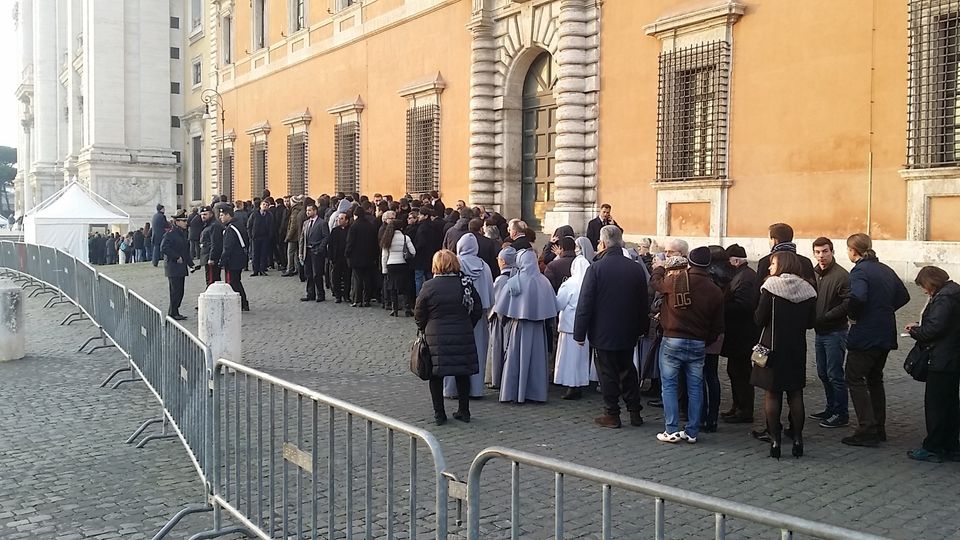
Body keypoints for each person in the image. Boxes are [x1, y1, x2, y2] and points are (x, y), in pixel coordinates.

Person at [574, 226, 650, 428]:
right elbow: (644, 302)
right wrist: (643, 327)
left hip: (603, 331)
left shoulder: (596, 268)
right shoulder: (635, 268)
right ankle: (635, 412)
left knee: (607, 373)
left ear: (603, 243)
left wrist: (579, 333)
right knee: (628, 369)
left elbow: (586, 302)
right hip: (629, 329)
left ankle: (612, 413)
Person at [649, 246, 724, 443]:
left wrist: (659, 266)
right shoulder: (715, 290)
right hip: (698, 342)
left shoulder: (677, 280)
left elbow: (655, 283)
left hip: (672, 338)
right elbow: (718, 325)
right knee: (695, 387)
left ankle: (671, 429)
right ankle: (692, 431)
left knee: (670, 385)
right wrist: (705, 340)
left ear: (689, 262)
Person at [842, 233, 910, 447]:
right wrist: (884, 310)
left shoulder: (860, 271)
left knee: (854, 377)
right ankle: (878, 426)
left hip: (865, 334)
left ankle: (866, 428)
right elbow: (904, 296)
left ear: (853, 251)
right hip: (885, 332)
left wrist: (853, 315)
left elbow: (858, 297)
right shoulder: (885, 269)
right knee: (874, 379)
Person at [751, 251, 817, 459]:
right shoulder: (809, 290)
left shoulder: (770, 287)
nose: (770, 268)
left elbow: (759, 319)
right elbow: (811, 323)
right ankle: (798, 439)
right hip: (797, 347)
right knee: (796, 393)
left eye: (772, 264)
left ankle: (775, 441)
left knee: (772, 393)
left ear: (780, 265)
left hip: (772, 346)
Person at [415, 250, 482, 425]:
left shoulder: (429, 286)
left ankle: (439, 414)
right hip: (462, 331)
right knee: (462, 373)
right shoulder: (465, 284)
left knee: (436, 375)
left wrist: (424, 327)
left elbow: (419, 312)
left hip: (436, 334)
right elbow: (477, 308)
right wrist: (468, 324)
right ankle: (464, 410)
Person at [905, 266, 960, 463]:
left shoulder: (945, 297)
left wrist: (915, 332)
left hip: (942, 359)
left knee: (936, 405)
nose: (924, 291)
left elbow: (935, 329)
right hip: (952, 357)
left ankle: (934, 447)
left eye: (923, 286)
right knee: (950, 405)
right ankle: (951, 446)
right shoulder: (954, 291)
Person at [496, 248, 556, 403]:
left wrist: (504, 322)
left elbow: (501, 309)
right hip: (538, 329)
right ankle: (536, 393)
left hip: (518, 328)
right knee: (537, 361)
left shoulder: (515, 281)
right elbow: (552, 309)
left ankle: (514, 392)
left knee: (515, 359)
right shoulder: (544, 281)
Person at [444, 234, 494, 398]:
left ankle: (452, 388)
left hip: (459, 314)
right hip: (479, 315)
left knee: (455, 350)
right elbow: (491, 294)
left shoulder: (455, 263)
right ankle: (475, 389)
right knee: (478, 350)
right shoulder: (484, 266)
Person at [811, 237, 851, 428]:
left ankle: (841, 413)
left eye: (825, 251)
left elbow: (848, 302)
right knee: (823, 373)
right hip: (820, 331)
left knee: (835, 373)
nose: (821, 256)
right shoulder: (814, 273)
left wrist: (827, 316)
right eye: (817, 252)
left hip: (836, 331)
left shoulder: (842, 275)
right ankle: (830, 407)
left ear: (832, 252)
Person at [720, 244, 759, 424]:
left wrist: (721, 307)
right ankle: (737, 406)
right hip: (739, 333)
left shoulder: (745, 278)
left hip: (742, 334)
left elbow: (743, 306)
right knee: (735, 370)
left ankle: (744, 410)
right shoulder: (742, 275)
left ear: (735, 261)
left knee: (741, 372)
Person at [555, 256, 591, 399]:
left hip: (569, 326)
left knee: (569, 358)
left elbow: (559, 303)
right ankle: (579, 383)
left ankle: (571, 385)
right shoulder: (590, 283)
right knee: (580, 359)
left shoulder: (570, 283)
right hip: (585, 327)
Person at [487, 247, 518, 388]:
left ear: (503, 261)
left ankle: (497, 378)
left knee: (498, 349)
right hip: (514, 319)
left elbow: (495, 302)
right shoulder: (517, 276)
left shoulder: (501, 280)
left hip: (500, 321)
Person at [756, 223, 816, 287]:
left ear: (774, 240)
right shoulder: (806, 262)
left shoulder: (765, 262)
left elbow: (757, 291)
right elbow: (813, 289)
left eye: (769, 239)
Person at [380, 212, 416, 315]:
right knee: (405, 287)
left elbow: (384, 256)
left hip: (391, 265)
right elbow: (413, 252)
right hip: (403, 264)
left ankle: (394, 309)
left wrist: (384, 269)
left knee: (392, 287)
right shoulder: (406, 238)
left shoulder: (387, 239)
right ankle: (407, 309)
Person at [160, 210, 191, 320]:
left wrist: (190, 264)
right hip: (173, 266)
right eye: (183, 221)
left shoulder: (182, 233)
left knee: (180, 290)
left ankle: (175, 310)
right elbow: (164, 248)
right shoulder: (170, 234)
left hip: (181, 267)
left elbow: (185, 250)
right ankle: (173, 312)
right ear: (177, 222)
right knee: (175, 291)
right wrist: (176, 257)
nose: (185, 223)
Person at [346, 205, 379, 307]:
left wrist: (347, 254)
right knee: (367, 279)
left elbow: (350, 242)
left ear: (355, 215)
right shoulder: (370, 226)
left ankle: (357, 300)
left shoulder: (354, 226)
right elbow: (374, 242)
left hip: (356, 257)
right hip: (369, 257)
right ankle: (367, 299)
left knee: (358, 279)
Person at [218, 207, 251, 312]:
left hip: (233, 259)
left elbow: (228, 247)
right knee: (236, 281)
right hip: (240, 257)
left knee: (233, 282)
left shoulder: (231, 228)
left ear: (228, 215)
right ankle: (243, 302)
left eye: (222, 215)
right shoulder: (237, 225)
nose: (220, 217)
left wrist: (222, 261)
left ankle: (241, 303)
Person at [300, 203, 328, 302]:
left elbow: (326, 237)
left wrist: (320, 248)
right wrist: (301, 252)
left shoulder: (322, 223)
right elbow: (302, 238)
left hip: (316, 251)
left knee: (317, 274)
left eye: (309, 210)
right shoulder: (306, 223)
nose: (308, 212)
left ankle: (320, 294)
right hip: (307, 251)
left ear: (315, 211)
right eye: (307, 210)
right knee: (308, 274)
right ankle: (310, 294)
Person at [327, 211, 352, 303]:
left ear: (347, 220)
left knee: (347, 277)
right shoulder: (335, 230)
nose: (338, 220)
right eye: (338, 218)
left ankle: (346, 295)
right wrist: (330, 257)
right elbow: (330, 245)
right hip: (336, 258)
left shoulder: (350, 230)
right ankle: (337, 295)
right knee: (335, 277)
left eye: (341, 218)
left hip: (346, 258)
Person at [198, 206, 223, 286]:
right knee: (210, 278)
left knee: (212, 281)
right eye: (202, 214)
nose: (203, 216)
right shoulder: (208, 225)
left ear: (211, 214)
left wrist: (211, 258)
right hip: (207, 256)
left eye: (205, 214)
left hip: (210, 257)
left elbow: (215, 243)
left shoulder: (214, 225)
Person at [248, 199, 273, 276]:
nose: (265, 206)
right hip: (255, 237)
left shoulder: (269, 215)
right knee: (255, 254)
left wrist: (270, 236)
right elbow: (249, 225)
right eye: (263, 204)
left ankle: (262, 270)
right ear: (260, 206)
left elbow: (272, 226)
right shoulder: (254, 214)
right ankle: (255, 270)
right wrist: (251, 235)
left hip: (265, 237)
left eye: (266, 205)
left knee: (263, 254)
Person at [284, 195, 306, 277]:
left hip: (293, 237)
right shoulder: (300, 209)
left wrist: (288, 237)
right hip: (298, 236)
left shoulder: (294, 211)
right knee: (297, 253)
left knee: (290, 253)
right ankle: (297, 269)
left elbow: (293, 226)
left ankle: (289, 269)